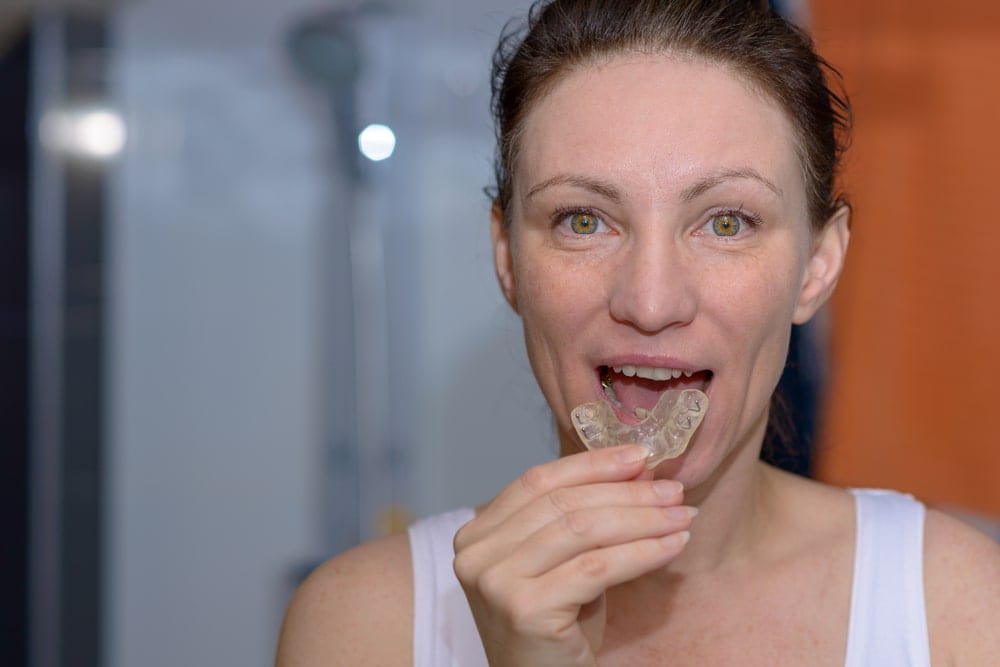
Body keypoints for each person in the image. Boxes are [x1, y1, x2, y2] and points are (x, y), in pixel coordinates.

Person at [275, 1, 1000, 664]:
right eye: (583, 220)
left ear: (817, 264)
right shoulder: (364, 625)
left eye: (726, 221)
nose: (651, 302)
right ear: (508, 258)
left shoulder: (960, 609)